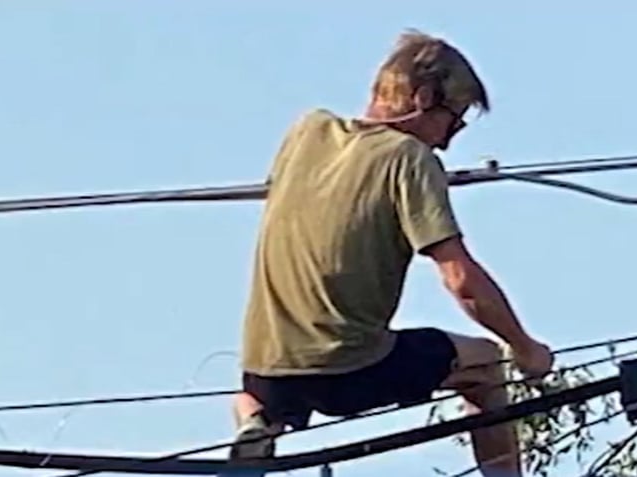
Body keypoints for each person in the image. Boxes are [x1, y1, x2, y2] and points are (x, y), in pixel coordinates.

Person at [229, 29, 554, 477]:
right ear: (421, 97)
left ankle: (255, 422)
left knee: (257, 394)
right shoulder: (410, 159)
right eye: (453, 120)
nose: (447, 140)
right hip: (348, 368)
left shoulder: (307, 132)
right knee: (486, 364)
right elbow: (460, 279)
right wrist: (525, 347)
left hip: (264, 369)